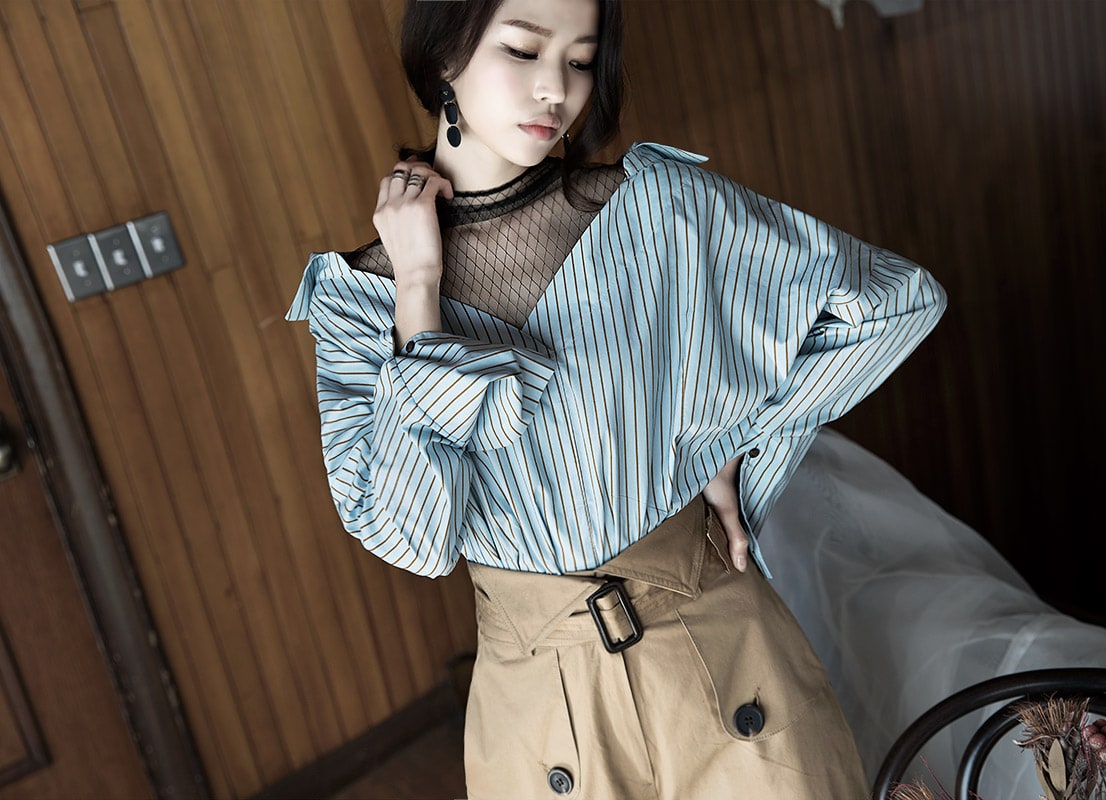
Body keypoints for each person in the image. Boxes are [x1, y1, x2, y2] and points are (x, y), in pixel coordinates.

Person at [285, 0, 947, 797]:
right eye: (524, 50)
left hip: (727, 662)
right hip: (540, 711)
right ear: (444, 56)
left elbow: (895, 302)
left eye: (579, 59)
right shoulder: (359, 300)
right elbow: (415, 541)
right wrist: (418, 292)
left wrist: (728, 443)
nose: (555, 89)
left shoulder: (655, 207)